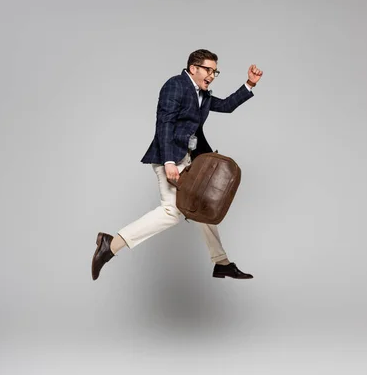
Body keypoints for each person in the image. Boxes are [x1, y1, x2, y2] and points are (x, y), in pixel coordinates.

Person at [92, 49, 263, 281]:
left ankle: (221, 263)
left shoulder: (200, 92)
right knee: (171, 212)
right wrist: (169, 161)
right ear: (193, 68)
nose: (212, 75)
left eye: (215, 71)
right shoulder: (176, 85)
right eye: (208, 70)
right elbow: (164, 123)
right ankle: (111, 244)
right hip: (171, 156)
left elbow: (226, 105)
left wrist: (249, 84)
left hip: (191, 159)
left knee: (203, 207)